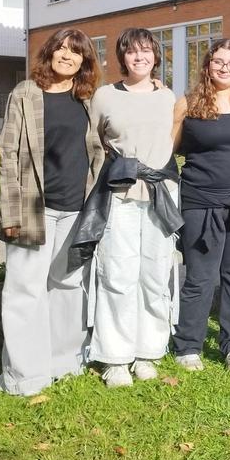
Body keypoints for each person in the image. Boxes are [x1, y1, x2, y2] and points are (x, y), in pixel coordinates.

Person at [0, 28, 104, 396]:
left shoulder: (87, 98)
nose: (67, 56)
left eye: (76, 52)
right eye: (61, 48)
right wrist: (10, 213)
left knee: (68, 286)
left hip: (77, 209)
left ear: (85, 62)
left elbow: (100, 151)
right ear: (50, 52)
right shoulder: (26, 94)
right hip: (33, 208)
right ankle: (25, 376)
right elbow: (8, 155)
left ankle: (64, 362)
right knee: (25, 290)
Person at [86, 27, 181, 388]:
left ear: (155, 56)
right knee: (118, 274)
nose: (139, 57)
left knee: (155, 275)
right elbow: (93, 146)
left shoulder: (166, 95)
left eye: (146, 51)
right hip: (120, 195)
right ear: (121, 57)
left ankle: (147, 352)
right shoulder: (105, 96)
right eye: (131, 52)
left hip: (160, 193)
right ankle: (114, 357)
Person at [170, 39, 230, 372]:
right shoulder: (188, 103)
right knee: (199, 276)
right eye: (218, 62)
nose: (224, 68)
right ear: (207, 65)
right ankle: (188, 346)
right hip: (201, 202)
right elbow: (169, 149)